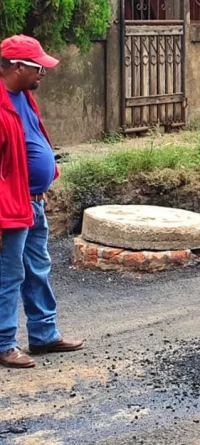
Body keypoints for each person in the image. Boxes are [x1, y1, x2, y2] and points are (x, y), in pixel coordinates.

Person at [0, 35, 85, 368]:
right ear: (18, 67)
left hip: (32, 201)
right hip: (10, 207)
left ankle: (44, 334)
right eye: (38, 68)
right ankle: (5, 343)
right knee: (9, 275)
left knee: (37, 267)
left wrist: (42, 180)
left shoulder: (23, 97)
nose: (43, 74)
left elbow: (31, 142)